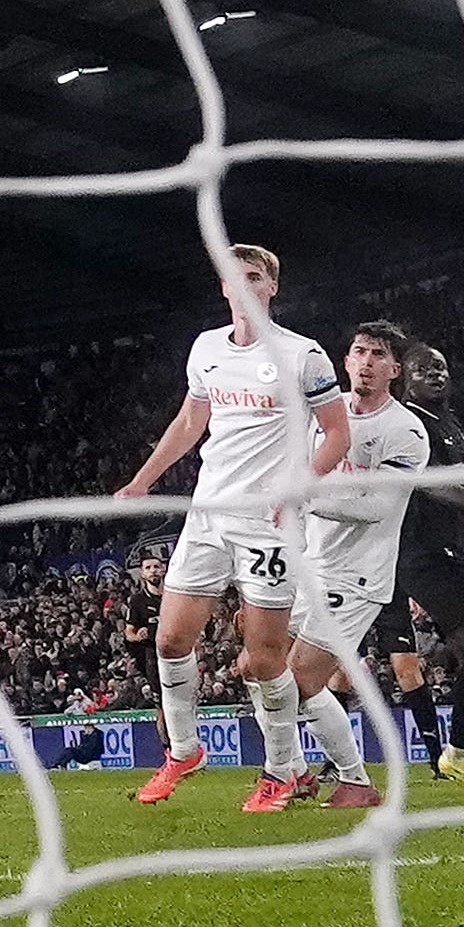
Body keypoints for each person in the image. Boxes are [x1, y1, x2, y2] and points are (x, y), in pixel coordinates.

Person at [112, 243, 350, 813]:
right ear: (223, 290)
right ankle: (185, 750)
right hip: (208, 514)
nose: (242, 286)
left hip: (268, 525)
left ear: (270, 288)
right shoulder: (206, 349)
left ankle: (280, 771)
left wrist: (297, 489)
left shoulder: (303, 356)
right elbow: (192, 420)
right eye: (232, 278)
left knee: (265, 658)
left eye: (253, 277)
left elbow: (337, 436)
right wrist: (142, 482)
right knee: (170, 638)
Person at [281, 321, 431, 810]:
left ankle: (355, 782)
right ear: (345, 362)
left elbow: (375, 509)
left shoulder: (405, 431)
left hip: (357, 575)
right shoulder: (326, 418)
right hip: (309, 563)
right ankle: (292, 773)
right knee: (263, 668)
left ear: (394, 369)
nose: (365, 361)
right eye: (358, 351)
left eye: (377, 354)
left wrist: (307, 498)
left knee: (303, 677)